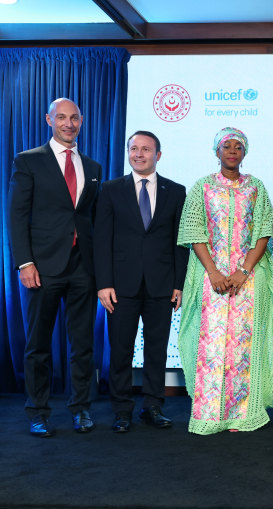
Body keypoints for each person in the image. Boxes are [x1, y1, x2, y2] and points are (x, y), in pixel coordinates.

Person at [176, 127, 273, 435]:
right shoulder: (202, 187)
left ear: (245, 152)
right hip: (211, 278)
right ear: (217, 151)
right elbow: (195, 232)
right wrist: (213, 271)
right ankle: (209, 414)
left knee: (242, 348)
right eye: (227, 146)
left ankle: (240, 414)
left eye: (238, 146)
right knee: (211, 348)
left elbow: (264, 231)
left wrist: (244, 270)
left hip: (247, 280)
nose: (232, 151)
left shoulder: (256, 187)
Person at [9, 98, 102, 437]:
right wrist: (25, 262)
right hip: (42, 266)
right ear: (49, 120)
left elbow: (91, 219)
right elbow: (17, 214)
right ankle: (38, 412)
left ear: (81, 121)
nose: (68, 123)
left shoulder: (93, 166)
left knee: (83, 343)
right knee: (38, 344)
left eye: (74, 118)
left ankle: (81, 409)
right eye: (61, 117)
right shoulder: (28, 160)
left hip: (83, 266)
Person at [93, 131, 189, 433]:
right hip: (120, 285)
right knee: (120, 350)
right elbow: (101, 239)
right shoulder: (111, 189)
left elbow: (180, 242)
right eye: (133, 148)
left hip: (162, 284)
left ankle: (152, 407)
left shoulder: (176, 191)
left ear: (157, 155)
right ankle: (122, 410)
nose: (139, 154)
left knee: (157, 349)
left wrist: (179, 283)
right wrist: (103, 283)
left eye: (146, 149)